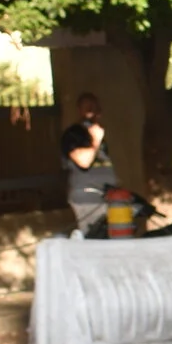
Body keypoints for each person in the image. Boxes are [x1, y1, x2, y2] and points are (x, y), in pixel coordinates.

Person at [59, 93, 116, 237]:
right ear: (79, 110)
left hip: (105, 197)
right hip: (87, 198)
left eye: (95, 107)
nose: (93, 111)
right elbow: (83, 162)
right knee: (94, 239)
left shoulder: (98, 135)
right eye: (88, 107)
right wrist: (95, 140)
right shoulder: (74, 134)